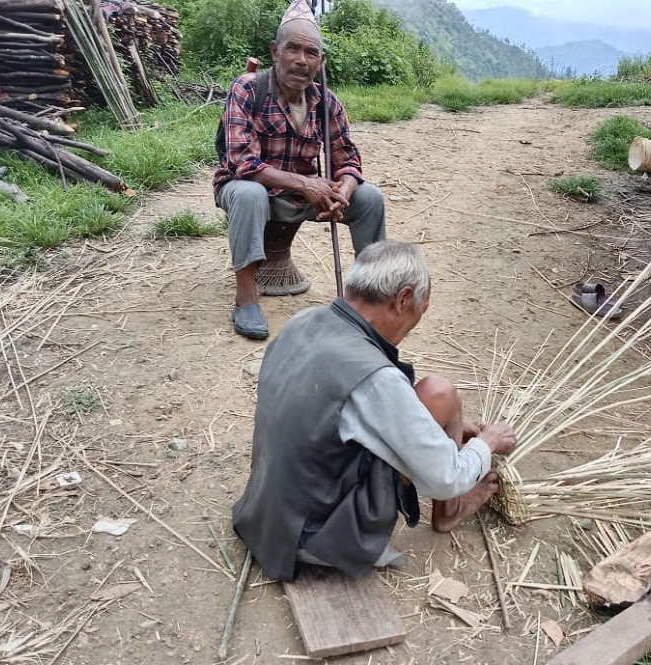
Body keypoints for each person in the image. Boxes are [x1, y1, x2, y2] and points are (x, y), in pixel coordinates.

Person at [232, 241, 518, 580]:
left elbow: (334, 414)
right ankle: (451, 510)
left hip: (265, 516)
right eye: (420, 310)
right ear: (402, 299)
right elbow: (445, 478)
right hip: (318, 539)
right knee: (440, 395)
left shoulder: (304, 321)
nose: (415, 323)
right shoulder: (375, 379)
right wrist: (488, 442)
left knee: (433, 403)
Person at [213, 0, 385, 340]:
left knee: (369, 198)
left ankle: (370, 298)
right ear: (276, 51)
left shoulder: (327, 102)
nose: (301, 60)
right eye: (292, 49)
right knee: (248, 194)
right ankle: (246, 299)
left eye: (311, 53)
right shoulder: (247, 88)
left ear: (320, 62)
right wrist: (307, 184)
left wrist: (342, 193)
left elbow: (348, 160)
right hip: (251, 188)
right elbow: (241, 162)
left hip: (302, 196)